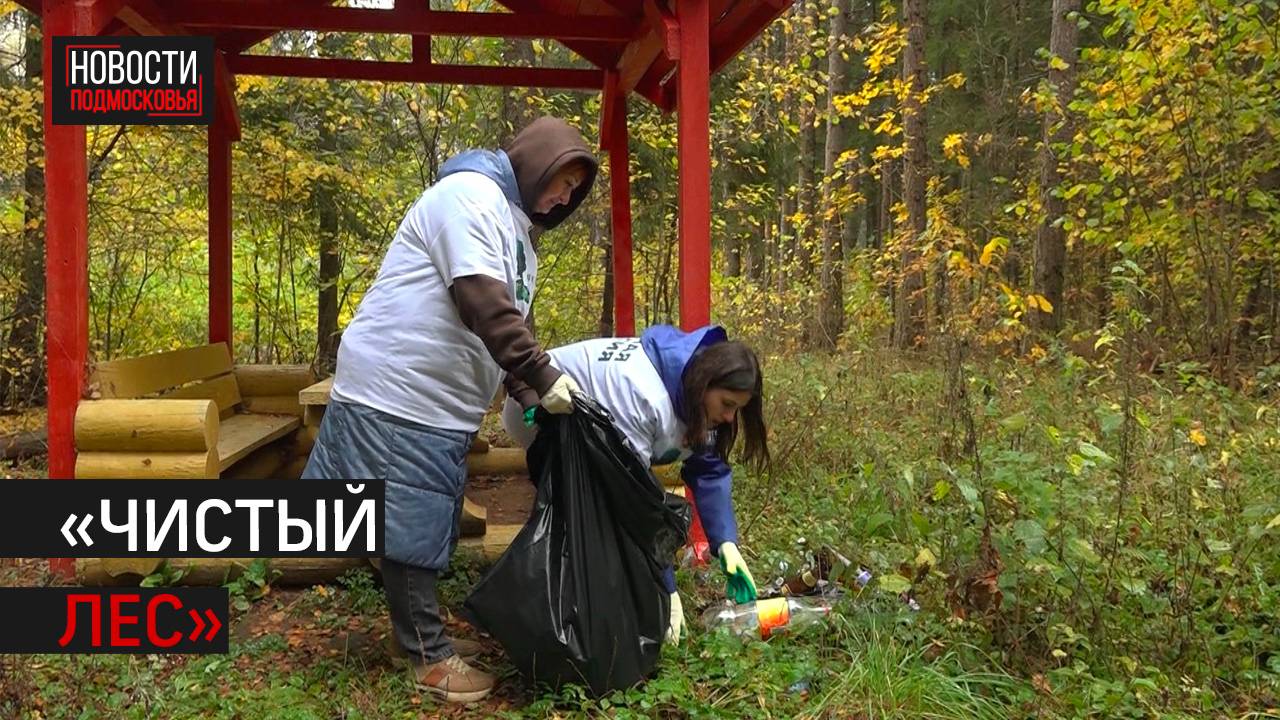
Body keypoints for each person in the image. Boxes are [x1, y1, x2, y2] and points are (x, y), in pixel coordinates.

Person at [303, 117, 598, 703]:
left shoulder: (514, 233)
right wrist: (544, 374)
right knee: (410, 520)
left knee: (411, 515)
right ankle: (425, 655)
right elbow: (481, 304)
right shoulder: (468, 197)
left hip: (434, 400)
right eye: (561, 179)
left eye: (574, 189)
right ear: (534, 161)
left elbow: (506, 326)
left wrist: (530, 395)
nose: (565, 195)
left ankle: (412, 634)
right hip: (401, 387)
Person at [501, 324, 769, 644]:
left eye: (736, 409)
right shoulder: (642, 394)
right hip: (538, 405)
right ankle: (560, 605)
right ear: (705, 383)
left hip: (590, 416)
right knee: (590, 504)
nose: (729, 418)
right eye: (727, 404)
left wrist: (726, 542)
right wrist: (665, 588)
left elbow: (708, 470)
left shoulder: (699, 402)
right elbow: (633, 496)